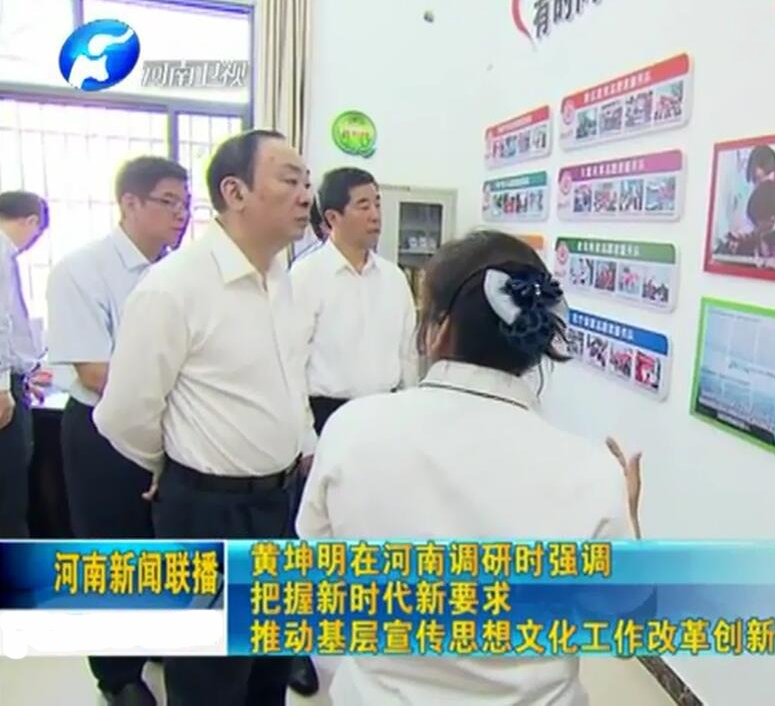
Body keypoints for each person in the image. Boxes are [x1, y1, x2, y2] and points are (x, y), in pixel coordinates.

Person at [297, 230, 642, 706]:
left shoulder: (351, 429)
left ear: (437, 329)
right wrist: (629, 517)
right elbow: (627, 630)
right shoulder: (593, 472)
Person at [93, 129, 314, 706]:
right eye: (289, 180)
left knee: (268, 666)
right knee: (210, 678)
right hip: (208, 510)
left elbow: (291, 382)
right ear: (235, 192)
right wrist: (177, 466)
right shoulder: (173, 288)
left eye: (307, 182)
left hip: (280, 502)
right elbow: (124, 413)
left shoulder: (282, 279)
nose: (305, 196)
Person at [46, 156, 189, 706]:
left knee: (161, 542)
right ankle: (118, 674)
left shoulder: (180, 274)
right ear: (129, 203)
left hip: (168, 423)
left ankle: (156, 641)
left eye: (186, 205)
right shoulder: (81, 271)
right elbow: (94, 370)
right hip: (101, 430)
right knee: (111, 548)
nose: (180, 215)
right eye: (168, 202)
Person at [288, 167, 417, 696]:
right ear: (332, 217)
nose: (376, 214)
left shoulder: (395, 278)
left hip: (383, 415)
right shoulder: (305, 278)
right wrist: (306, 440)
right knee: (309, 538)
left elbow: (408, 356)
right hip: (324, 417)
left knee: (374, 530)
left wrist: (410, 419)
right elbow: (290, 363)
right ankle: (296, 646)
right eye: (363, 205)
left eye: (378, 203)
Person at [0, 191, 48, 538]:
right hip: (4, 389)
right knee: (10, 492)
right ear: (31, 221)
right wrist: (3, 383)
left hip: (14, 377)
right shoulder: (2, 252)